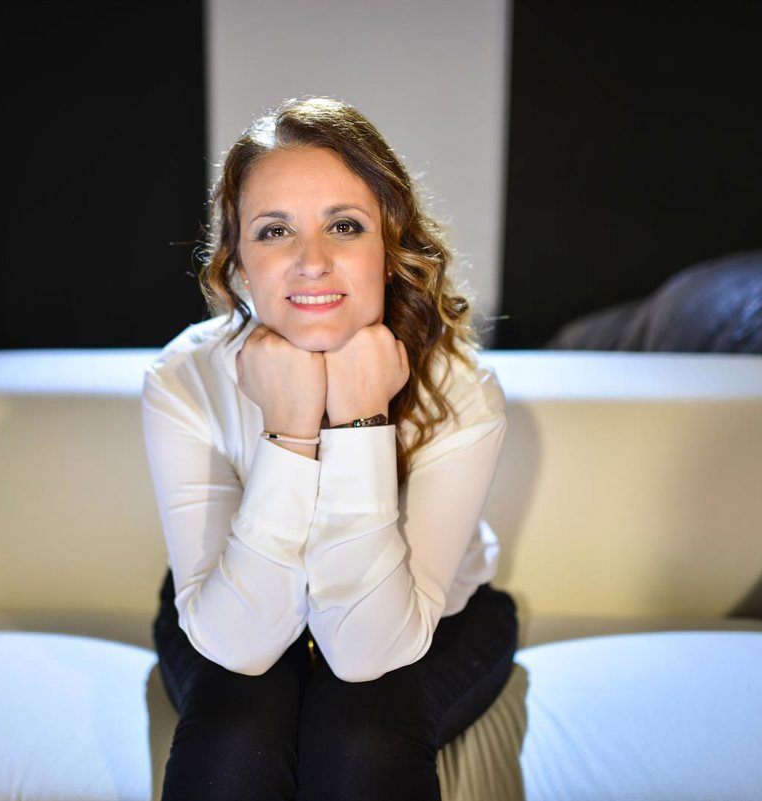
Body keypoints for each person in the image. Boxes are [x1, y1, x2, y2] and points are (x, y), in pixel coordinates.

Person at [141, 96, 518, 801]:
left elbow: (367, 652)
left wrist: (360, 421)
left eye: (344, 226)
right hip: (225, 602)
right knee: (232, 744)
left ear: (389, 248)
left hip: (440, 617)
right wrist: (290, 432)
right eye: (274, 230)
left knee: (362, 741)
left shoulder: (460, 389)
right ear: (239, 264)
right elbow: (240, 643)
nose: (311, 262)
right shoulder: (184, 378)